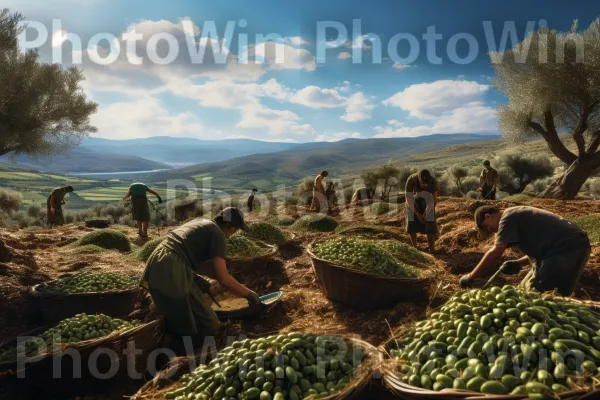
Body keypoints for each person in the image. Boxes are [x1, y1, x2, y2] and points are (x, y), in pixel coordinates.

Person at [140, 207, 260, 351]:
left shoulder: (202, 222)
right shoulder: (218, 234)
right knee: (208, 323)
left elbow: (193, 257)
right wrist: (249, 294)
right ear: (231, 227)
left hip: (158, 259)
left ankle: (172, 344)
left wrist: (202, 283)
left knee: (181, 313)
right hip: (170, 266)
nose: (232, 235)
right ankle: (181, 355)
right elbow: (223, 278)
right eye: (235, 230)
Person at [459, 205, 590, 296]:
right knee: (524, 290)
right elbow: (542, 249)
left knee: (542, 294)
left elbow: (496, 252)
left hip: (569, 248)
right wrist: (518, 262)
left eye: (487, 227)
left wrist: (471, 276)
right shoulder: (514, 216)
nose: (491, 231)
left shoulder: (507, 218)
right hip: (564, 248)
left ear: (488, 216)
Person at [405, 169, 440, 254]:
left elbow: (433, 201)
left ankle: (431, 249)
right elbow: (409, 199)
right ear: (419, 180)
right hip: (414, 201)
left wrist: (425, 214)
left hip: (428, 201)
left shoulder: (433, 182)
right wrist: (418, 214)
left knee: (430, 224)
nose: (425, 186)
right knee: (411, 222)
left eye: (426, 184)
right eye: (423, 184)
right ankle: (415, 248)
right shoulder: (412, 180)